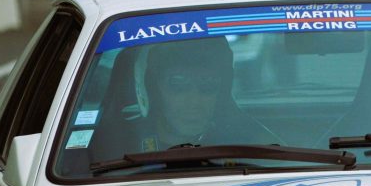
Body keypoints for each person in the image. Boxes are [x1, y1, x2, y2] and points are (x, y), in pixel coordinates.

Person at [89, 37, 274, 160]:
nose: (194, 102)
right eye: (178, 85)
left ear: (221, 92)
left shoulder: (249, 142)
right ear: (153, 89)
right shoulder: (114, 146)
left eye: (208, 86)